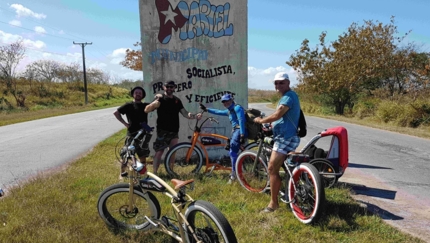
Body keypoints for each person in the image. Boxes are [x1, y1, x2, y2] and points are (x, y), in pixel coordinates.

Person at [253, 72, 301, 213]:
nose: (278, 85)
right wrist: (271, 125)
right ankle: (290, 191)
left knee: (272, 169)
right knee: (286, 166)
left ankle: (273, 204)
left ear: (288, 82)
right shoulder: (287, 96)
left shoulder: (288, 96)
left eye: (281, 82)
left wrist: (261, 120)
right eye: (276, 83)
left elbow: (277, 114)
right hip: (286, 135)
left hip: (285, 138)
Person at [144, 80, 199, 174]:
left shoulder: (177, 101)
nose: (169, 88)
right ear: (164, 87)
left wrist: (194, 116)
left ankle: (170, 172)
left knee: (172, 152)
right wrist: (155, 102)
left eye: (171, 87)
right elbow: (146, 110)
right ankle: (155, 173)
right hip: (162, 130)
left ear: (174, 88)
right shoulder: (160, 98)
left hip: (174, 131)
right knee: (159, 151)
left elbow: (185, 113)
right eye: (167, 86)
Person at [198, 93, 247, 184]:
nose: (225, 103)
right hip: (235, 131)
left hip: (239, 130)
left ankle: (235, 174)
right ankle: (238, 169)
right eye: (223, 102)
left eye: (227, 100)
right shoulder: (229, 111)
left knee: (232, 151)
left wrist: (242, 134)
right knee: (232, 151)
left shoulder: (237, 108)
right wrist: (206, 109)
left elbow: (241, 121)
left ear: (231, 100)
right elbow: (218, 112)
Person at [114, 86, 151, 179]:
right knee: (126, 155)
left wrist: (158, 98)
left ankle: (143, 174)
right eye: (136, 92)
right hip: (132, 135)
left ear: (142, 95)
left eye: (140, 93)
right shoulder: (128, 105)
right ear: (133, 94)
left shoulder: (146, 106)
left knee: (143, 156)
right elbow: (116, 113)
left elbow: (156, 105)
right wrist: (125, 123)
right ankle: (122, 174)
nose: (138, 94)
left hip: (143, 135)